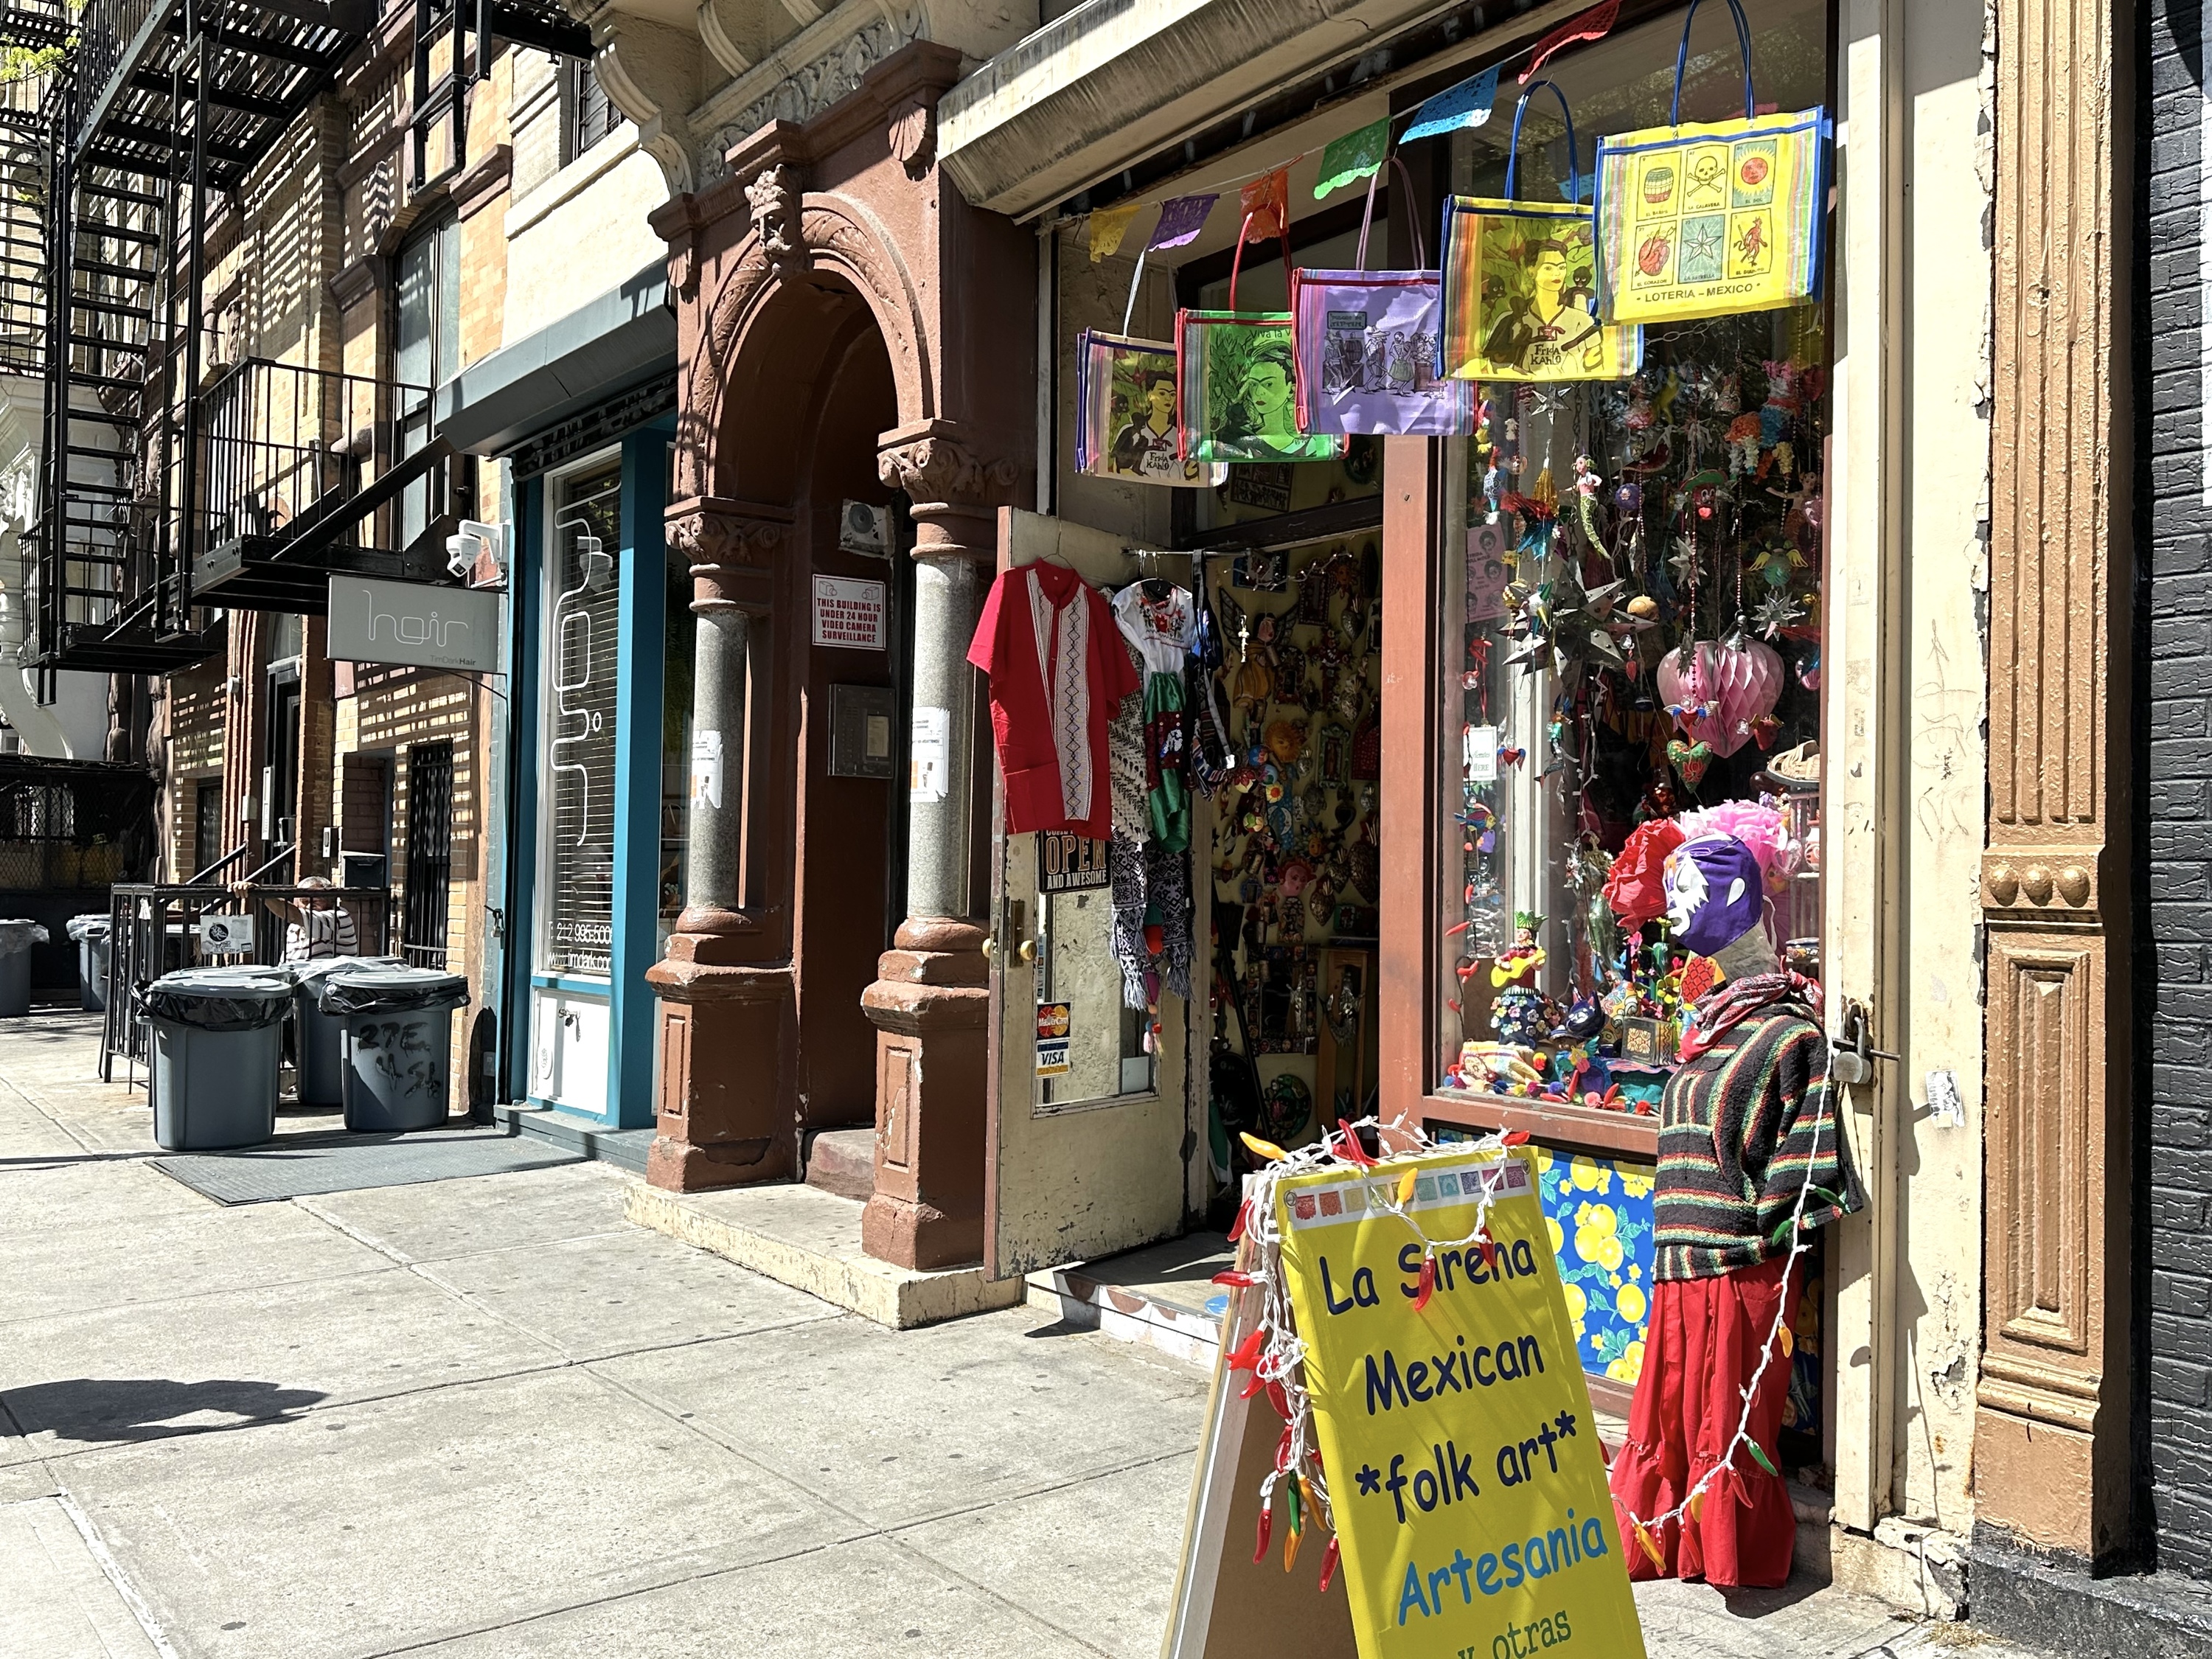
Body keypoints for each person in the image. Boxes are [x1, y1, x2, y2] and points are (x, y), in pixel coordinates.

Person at [1607, 832, 1863, 1588]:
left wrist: (1769, 1235)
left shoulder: (1792, 1036)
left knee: (1725, 1427)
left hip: (1738, 1269)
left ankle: (1728, 1554)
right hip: (1680, 1267)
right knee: (1669, 1424)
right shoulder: (1708, 1029)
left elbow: (1807, 1165)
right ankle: (1674, 1545)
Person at [1484, 240, 1604, 375]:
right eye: (1548, 267)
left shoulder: (1583, 321)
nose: (1557, 273)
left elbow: (1596, 368)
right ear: (1531, 271)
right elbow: (1492, 369)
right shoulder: (1509, 322)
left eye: (1562, 267)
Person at [1110, 369, 1182, 479]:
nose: (1168, 399)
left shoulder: (1181, 436)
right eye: (1162, 393)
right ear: (1150, 395)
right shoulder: (1131, 431)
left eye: (1172, 394)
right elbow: (1117, 469)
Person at [279, 875, 358, 964]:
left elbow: (293, 915)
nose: (309, 906)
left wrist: (264, 895)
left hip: (326, 976)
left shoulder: (339, 917)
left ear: (330, 901)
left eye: (316, 902)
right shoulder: (294, 926)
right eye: (304, 902)